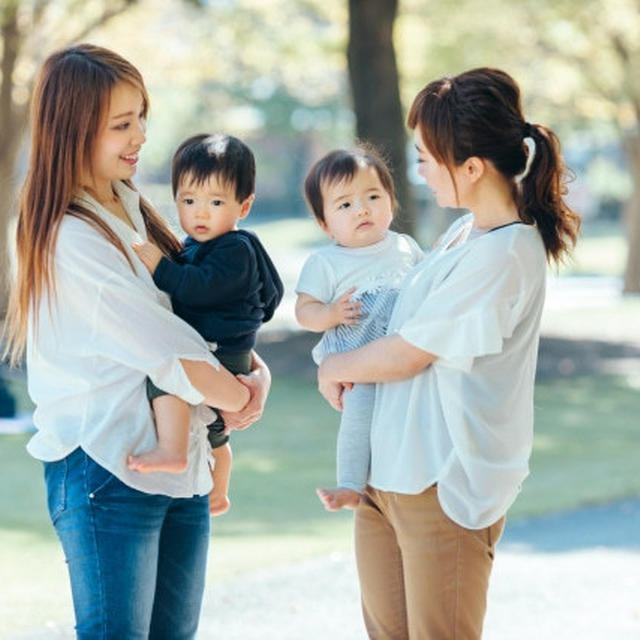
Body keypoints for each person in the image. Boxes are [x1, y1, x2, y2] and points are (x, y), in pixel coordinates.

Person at [2, 43, 270, 639]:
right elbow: (165, 346)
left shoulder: (137, 212)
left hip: (183, 470)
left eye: (141, 116)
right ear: (73, 130)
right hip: (107, 465)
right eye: (122, 124)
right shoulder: (68, 234)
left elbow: (205, 315)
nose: (141, 135)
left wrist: (256, 378)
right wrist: (238, 394)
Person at [317, 68, 581, 639]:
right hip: (385, 479)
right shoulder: (463, 236)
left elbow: (411, 353)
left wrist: (335, 366)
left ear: (471, 167)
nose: (418, 171)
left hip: (443, 488)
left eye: (425, 157)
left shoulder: (506, 253)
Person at [128, 132, 283, 517]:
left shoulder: (234, 249)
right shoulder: (201, 246)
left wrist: (159, 265)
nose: (200, 212)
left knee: (167, 375)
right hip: (226, 350)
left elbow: (199, 290)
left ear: (243, 206)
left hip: (222, 351)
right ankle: (219, 493)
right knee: (216, 430)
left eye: (216, 202)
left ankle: (172, 449)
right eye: (189, 200)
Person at [295, 147, 423, 511]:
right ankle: (350, 484)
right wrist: (331, 313)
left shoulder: (405, 246)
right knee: (360, 413)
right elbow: (305, 312)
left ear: (391, 202)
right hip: (355, 359)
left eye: (372, 197)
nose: (362, 209)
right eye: (345, 205)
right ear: (324, 223)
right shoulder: (326, 262)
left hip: (400, 349)